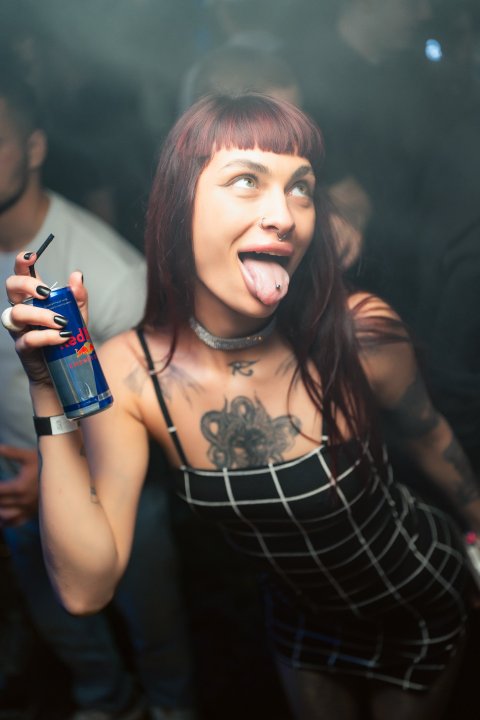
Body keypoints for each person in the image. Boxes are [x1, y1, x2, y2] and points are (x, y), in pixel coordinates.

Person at [3, 93, 480, 720]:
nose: (285, 216)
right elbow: (86, 590)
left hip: (413, 596)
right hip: (299, 618)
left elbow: (428, 434)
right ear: (181, 205)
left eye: (301, 187)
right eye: (247, 181)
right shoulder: (130, 374)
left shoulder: (358, 332)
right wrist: (48, 389)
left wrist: (479, 532)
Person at [0, 72, 194, 720]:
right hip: (13, 482)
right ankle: (106, 702)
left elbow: (148, 405)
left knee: (153, 625)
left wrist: (57, 470)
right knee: (68, 631)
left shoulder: (111, 275)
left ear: (34, 147)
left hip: (117, 484)